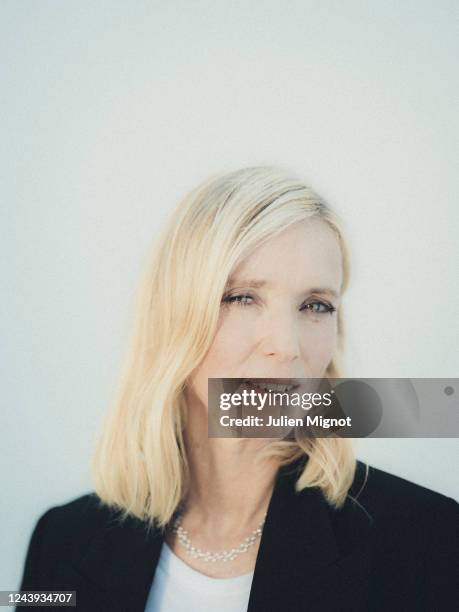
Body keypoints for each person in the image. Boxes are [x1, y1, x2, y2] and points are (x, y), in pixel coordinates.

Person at [17, 166, 459, 611]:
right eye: (243, 297)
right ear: (173, 316)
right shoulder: (62, 541)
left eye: (315, 305)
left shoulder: (430, 539)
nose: (286, 347)